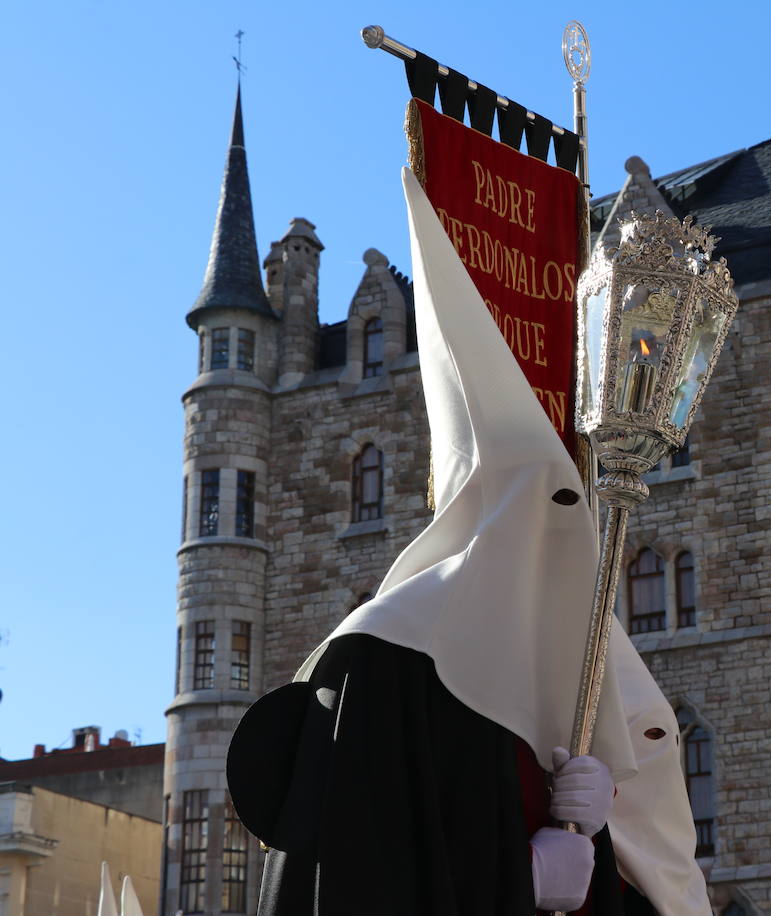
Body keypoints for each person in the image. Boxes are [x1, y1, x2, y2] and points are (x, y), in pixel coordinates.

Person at [227, 168, 707, 916]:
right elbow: (355, 877)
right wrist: (518, 880)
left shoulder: (588, 665)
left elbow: (665, 883)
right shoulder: (391, 660)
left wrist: (607, 836)